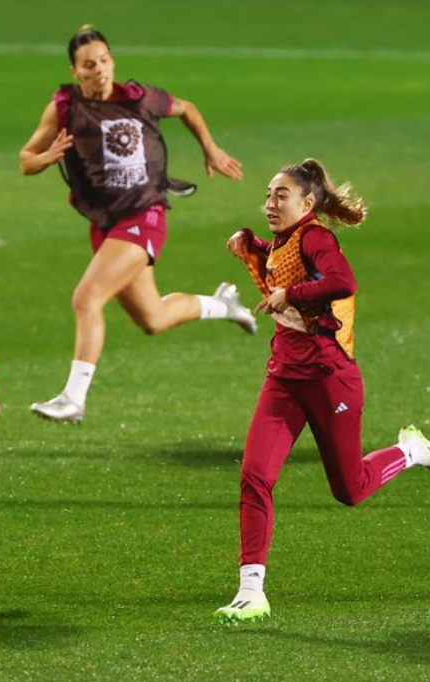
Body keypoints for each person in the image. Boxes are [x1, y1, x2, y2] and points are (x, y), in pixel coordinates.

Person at [214, 158, 430, 623]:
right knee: (254, 476)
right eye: (267, 195)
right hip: (283, 377)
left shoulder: (318, 237)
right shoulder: (285, 241)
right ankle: (250, 591)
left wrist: (292, 296)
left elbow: (343, 281)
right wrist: (250, 243)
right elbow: (279, 264)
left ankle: (408, 450)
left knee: (351, 489)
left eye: (280, 196)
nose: (270, 203)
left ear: (308, 203)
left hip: (329, 379)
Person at [19, 25, 257, 424]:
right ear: (75, 71)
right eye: (89, 65)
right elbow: (26, 158)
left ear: (113, 60)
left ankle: (74, 398)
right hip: (106, 224)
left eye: (105, 60)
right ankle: (223, 305)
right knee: (153, 318)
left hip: (144, 215)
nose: (100, 70)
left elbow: (188, 109)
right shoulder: (65, 108)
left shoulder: (139, 98)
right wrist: (48, 156)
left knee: (86, 298)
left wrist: (210, 149)